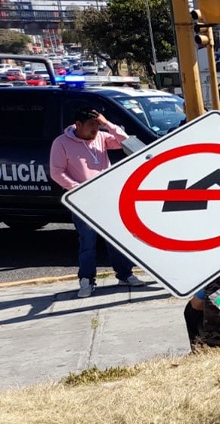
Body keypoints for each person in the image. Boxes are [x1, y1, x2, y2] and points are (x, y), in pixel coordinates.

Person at [49, 108, 148, 298]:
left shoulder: (101, 137)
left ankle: (125, 274)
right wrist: (78, 187)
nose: (95, 129)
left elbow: (125, 142)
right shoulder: (61, 143)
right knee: (88, 241)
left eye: (97, 125)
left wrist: (107, 124)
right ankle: (86, 280)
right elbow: (57, 172)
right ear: (78, 125)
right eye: (91, 125)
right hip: (83, 199)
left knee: (116, 238)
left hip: (106, 197)